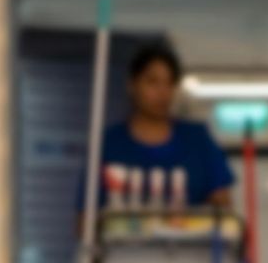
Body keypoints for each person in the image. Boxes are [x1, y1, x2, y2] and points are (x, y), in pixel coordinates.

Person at [95, 41, 234, 210]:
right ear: (132, 85)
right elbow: (85, 220)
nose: (162, 92)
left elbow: (223, 205)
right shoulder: (109, 144)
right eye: (152, 82)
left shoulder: (198, 140)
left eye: (169, 83)